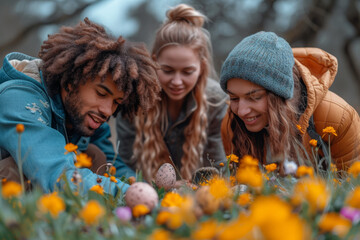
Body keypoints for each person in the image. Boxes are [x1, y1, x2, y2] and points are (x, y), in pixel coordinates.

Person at [0, 18, 161, 195]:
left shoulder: (83, 115)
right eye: (101, 93)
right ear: (70, 81)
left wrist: (151, 190)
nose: (107, 111)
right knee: (13, 171)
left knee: (94, 155)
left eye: (116, 102)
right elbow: (57, 172)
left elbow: (116, 169)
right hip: (14, 205)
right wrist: (135, 195)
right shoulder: (18, 98)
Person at [116, 4, 228, 182]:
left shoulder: (215, 100)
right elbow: (125, 166)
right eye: (167, 70)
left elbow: (217, 169)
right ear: (154, 62)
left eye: (187, 72)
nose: (176, 82)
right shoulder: (133, 99)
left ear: (201, 67)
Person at [220, 31, 360, 172]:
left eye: (255, 97)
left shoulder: (338, 118)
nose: (242, 111)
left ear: (281, 94)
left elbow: (353, 185)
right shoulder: (232, 124)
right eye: (234, 98)